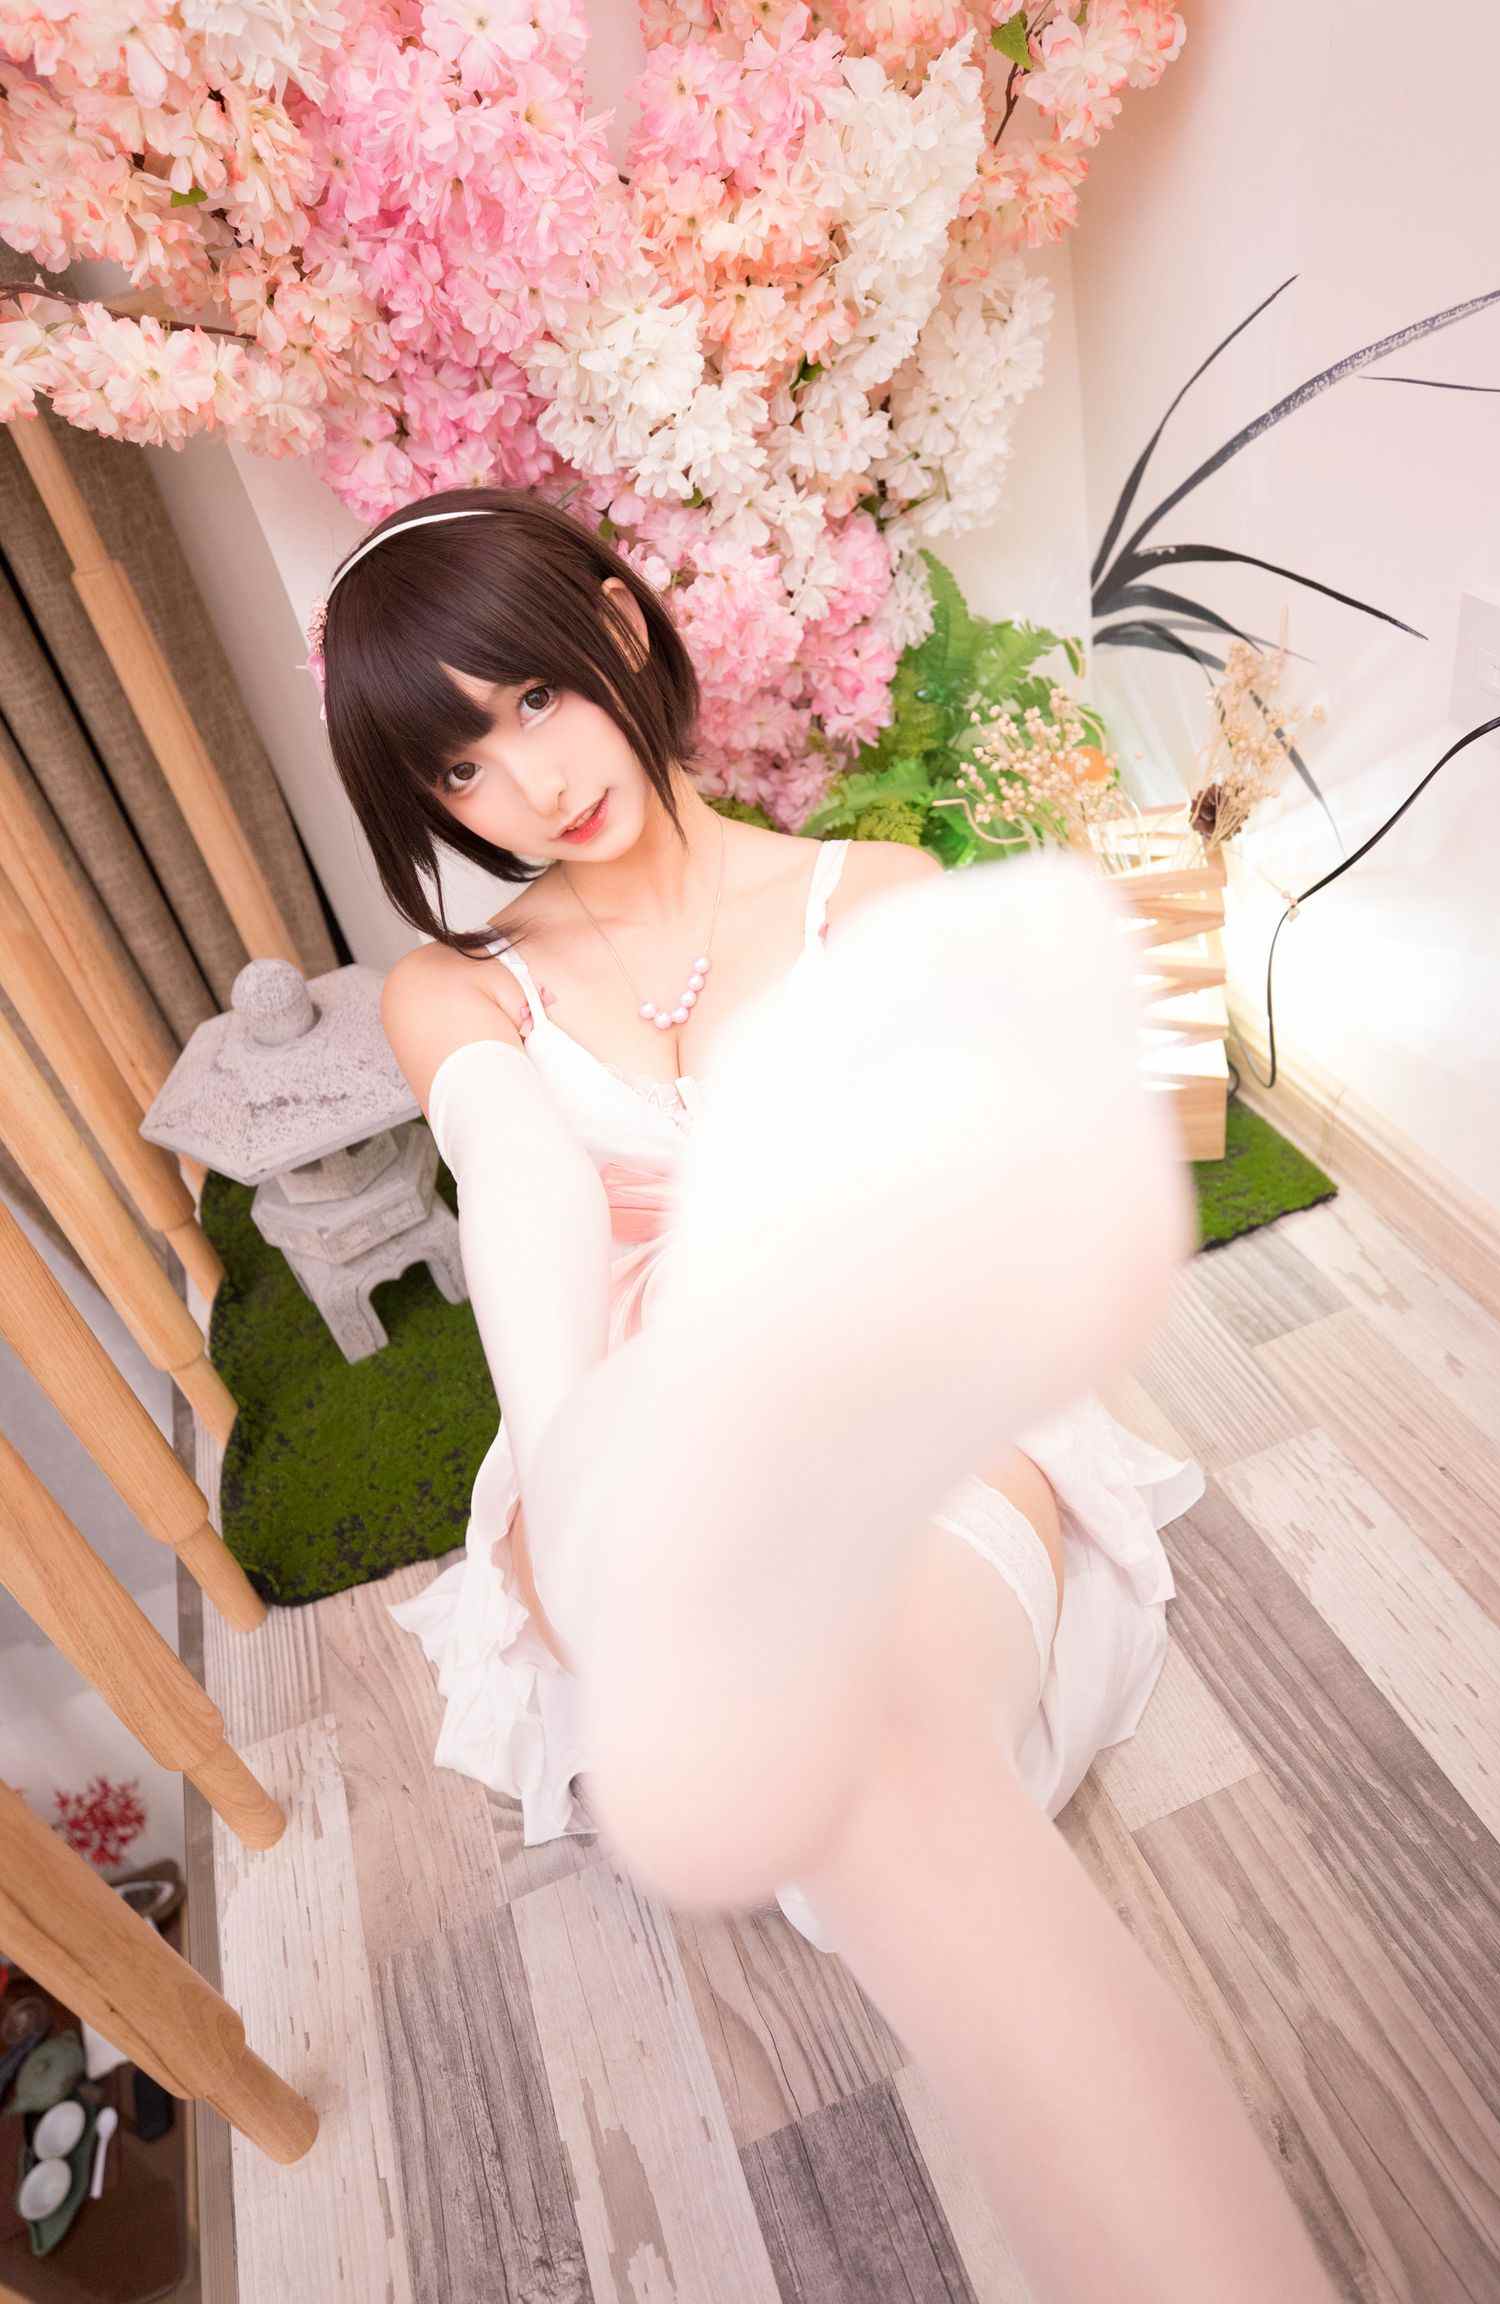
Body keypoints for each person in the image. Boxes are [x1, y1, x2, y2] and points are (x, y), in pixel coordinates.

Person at [315, 485, 1336, 2302]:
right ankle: (668, 1594)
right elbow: (529, 1193)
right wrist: (568, 1472)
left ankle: (725, 1681)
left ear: (619, 628)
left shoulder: (874, 901)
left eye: (536, 697)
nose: (530, 780)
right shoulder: (454, 991)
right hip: (617, 1430)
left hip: (892, 1407)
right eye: (462, 764)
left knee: (881, 1765)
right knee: (870, 1788)